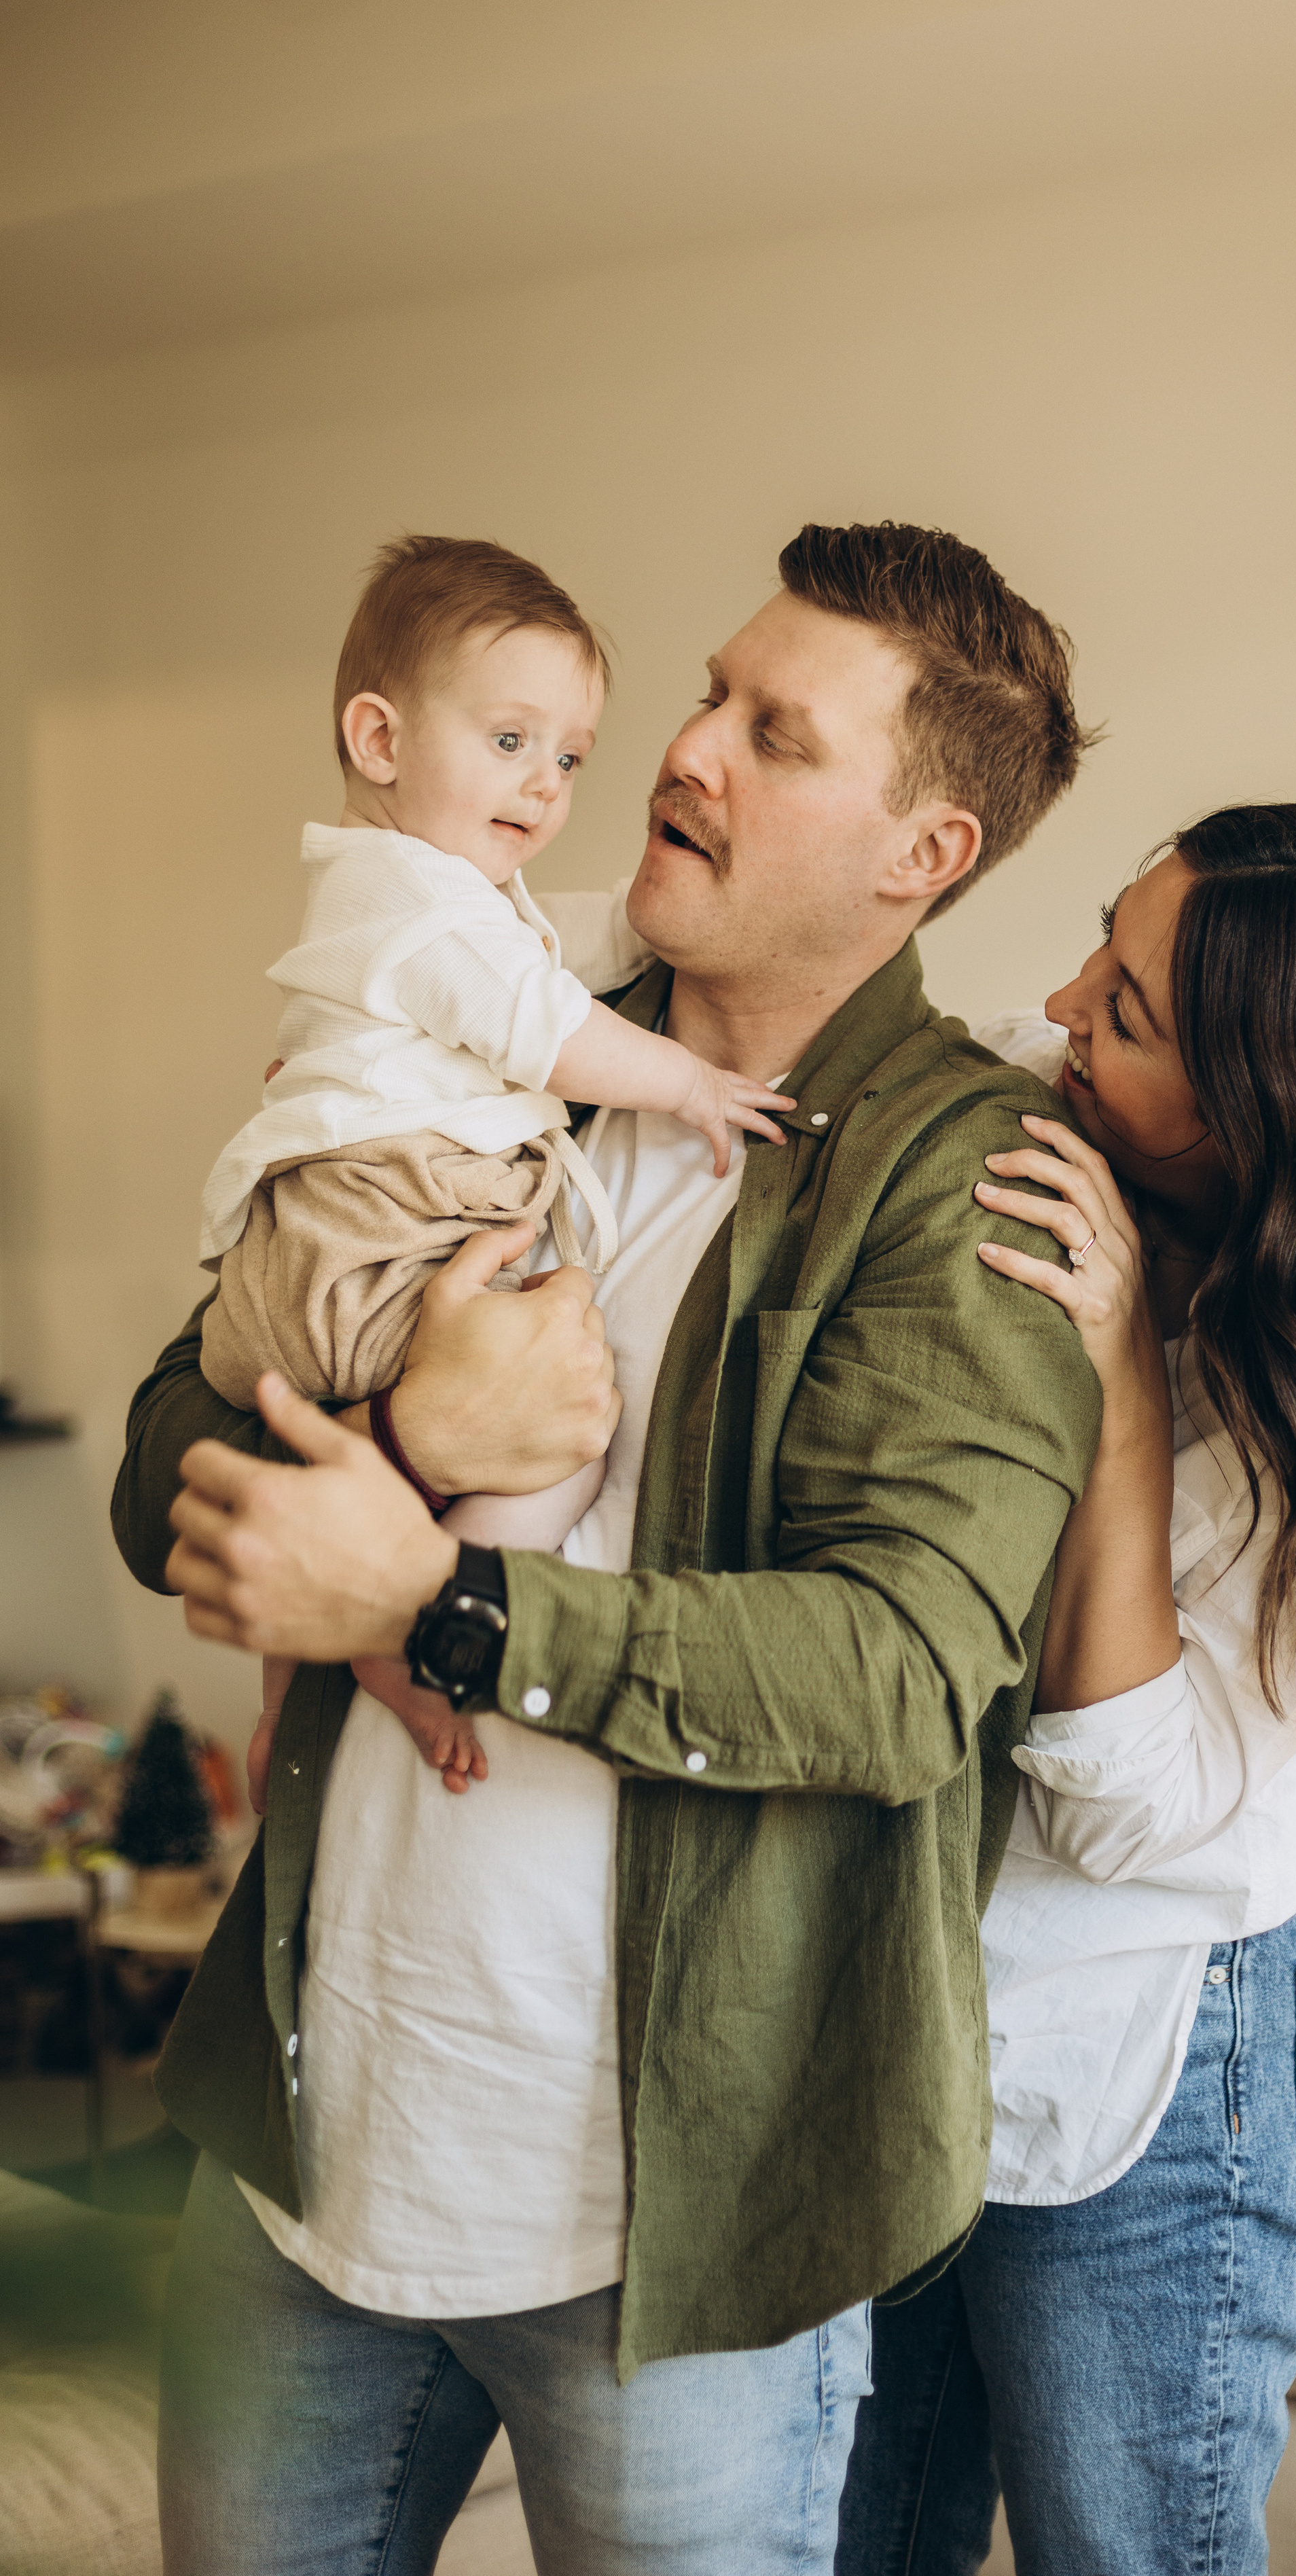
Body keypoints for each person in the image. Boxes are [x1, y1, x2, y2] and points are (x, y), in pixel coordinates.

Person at [111, 521, 1105, 2576]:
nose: (687, 749)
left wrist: (440, 1601)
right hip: (308, 2145)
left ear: (921, 851)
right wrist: (406, 1437)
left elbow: (900, 1670)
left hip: (677, 2237)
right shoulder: (490, 1010)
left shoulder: (965, 1178)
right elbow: (164, 1454)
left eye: (776, 732)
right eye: (711, 694)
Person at [836, 804, 1296, 2576]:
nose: (1058, 1005)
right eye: (1106, 947)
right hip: (935, 1987)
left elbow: (1125, 1807)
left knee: (1134, 2552)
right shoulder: (1065, 1102)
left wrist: (1118, 1389)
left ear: (1275, 1115)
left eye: (1127, 1010)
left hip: (1184, 2028)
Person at [196, 533, 791, 1800]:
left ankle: (281, 1697)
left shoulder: (420, 891)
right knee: (562, 1428)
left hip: (319, 1245)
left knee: (306, 1465)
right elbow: (545, 1028)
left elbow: (555, 958)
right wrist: (688, 1081)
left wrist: (671, 917)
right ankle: (413, 1626)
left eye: (570, 756)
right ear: (380, 739)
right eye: (511, 742)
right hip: (385, 1229)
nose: (546, 785)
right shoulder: (424, 905)